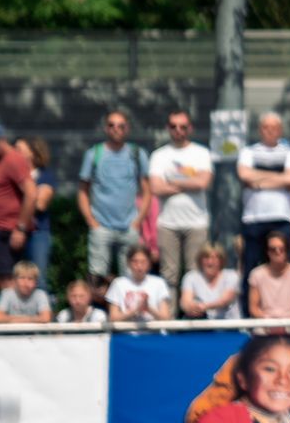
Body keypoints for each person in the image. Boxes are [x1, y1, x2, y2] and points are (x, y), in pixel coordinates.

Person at [147, 110, 213, 294]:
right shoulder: (159, 155)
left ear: (189, 129)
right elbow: (156, 188)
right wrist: (189, 184)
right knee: (169, 276)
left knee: (196, 274)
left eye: (183, 127)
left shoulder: (201, 153)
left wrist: (172, 182)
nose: (178, 130)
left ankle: (195, 317)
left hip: (197, 223)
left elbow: (203, 182)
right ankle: (170, 320)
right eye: (174, 126)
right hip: (168, 224)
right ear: (168, 128)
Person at [78, 111, 148, 279]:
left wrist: (138, 221)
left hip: (129, 225)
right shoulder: (94, 154)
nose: (116, 129)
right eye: (112, 125)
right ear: (106, 128)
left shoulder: (137, 154)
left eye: (121, 126)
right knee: (97, 278)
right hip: (101, 225)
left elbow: (147, 191)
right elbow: (82, 191)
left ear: (127, 129)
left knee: (131, 279)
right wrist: (91, 220)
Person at [237, 113, 290, 278]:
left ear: (280, 130)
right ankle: (249, 304)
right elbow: (244, 175)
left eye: (274, 127)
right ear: (260, 130)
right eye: (266, 127)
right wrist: (279, 177)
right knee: (250, 268)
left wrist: (258, 182)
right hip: (253, 218)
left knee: (284, 267)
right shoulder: (248, 151)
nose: (270, 131)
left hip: (282, 217)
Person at [0, 121, 37, 286]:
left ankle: (18, 305)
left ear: (1, 140)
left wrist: (20, 229)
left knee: (6, 278)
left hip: (9, 231)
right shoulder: (1, 162)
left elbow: (31, 193)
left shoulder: (14, 159)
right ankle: (13, 295)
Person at [13, 136, 56, 281]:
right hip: (13, 233)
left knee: (38, 279)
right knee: (11, 278)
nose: (14, 152)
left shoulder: (45, 175)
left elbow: (40, 204)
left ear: (32, 152)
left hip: (38, 234)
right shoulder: (11, 176)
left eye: (18, 149)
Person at [246, 233, 290, 320]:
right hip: (264, 326)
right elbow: (253, 308)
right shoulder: (256, 274)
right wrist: (268, 322)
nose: (278, 252)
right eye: (273, 249)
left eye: (281, 249)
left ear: (287, 250)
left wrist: (286, 323)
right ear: (267, 251)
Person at [108, 244, 174, 322]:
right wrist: (134, 311)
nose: (139, 266)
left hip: (153, 332)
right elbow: (113, 318)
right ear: (128, 263)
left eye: (143, 262)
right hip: (126, 332)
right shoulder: (118, 283)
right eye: (135, 262)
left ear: (149, 263)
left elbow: (166, 317)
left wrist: (148, 308)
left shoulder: (159, 283)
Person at [180, 243, 243, 320]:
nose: (210, 262)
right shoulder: (190, 277)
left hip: (229, 327)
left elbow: (226, 299)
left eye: (214, 258)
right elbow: (185, 302)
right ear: (200, 260)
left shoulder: (231, 276)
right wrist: (191, 308)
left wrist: (204, 306)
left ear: (221, 260)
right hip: (201, 326)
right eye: (206, 258)